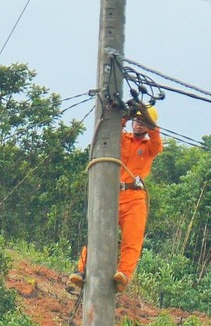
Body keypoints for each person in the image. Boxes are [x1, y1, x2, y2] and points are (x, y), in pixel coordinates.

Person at [68, 104, 165, 296]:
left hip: (135, 197)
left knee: (132, 239)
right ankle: (82, 270)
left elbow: (156, 140)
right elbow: (110, 130)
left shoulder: (150, 147)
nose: (139, 125)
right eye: (137, 121)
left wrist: (148, 118)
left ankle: (123, 275)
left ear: (148, 126)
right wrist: (124, 116)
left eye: (143, 122)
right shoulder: (122, 139)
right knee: (98, 232)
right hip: (112, 194)